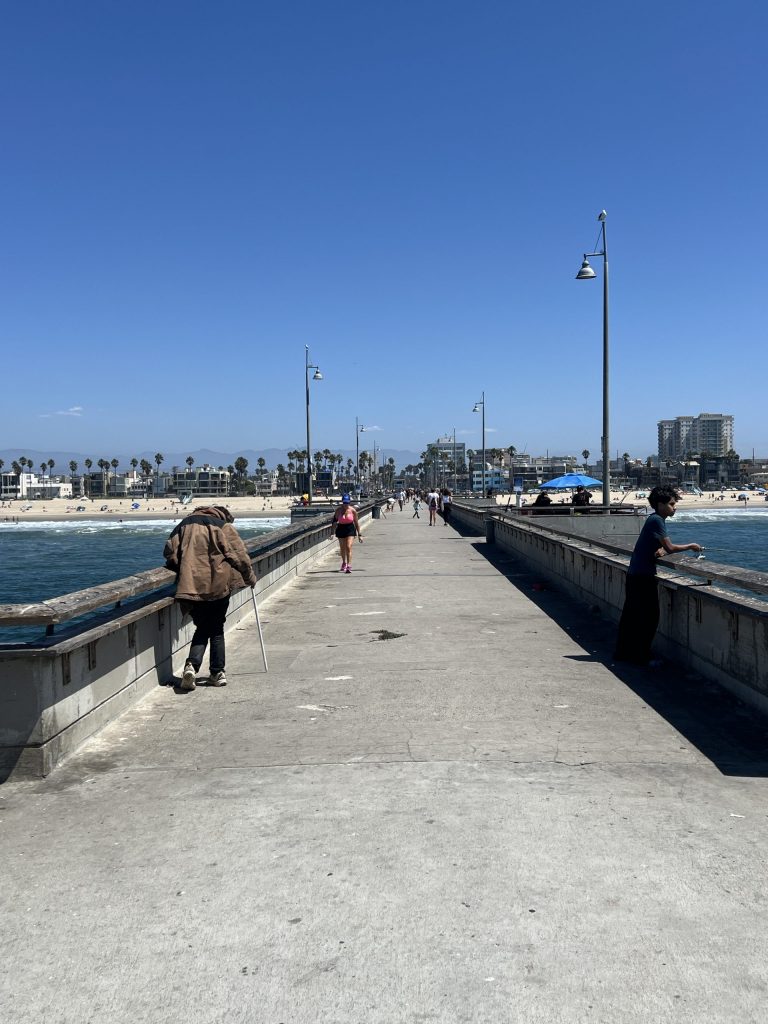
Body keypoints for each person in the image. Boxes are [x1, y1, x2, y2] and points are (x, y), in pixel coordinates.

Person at [163, 505, 257, 690]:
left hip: (190, 587)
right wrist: (250, 577)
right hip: (218, 586)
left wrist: (183, 566)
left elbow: (169, 552)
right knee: (215, 629)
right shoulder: (223, 526)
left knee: (203, 627)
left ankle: (191, 666)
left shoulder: (182, 526)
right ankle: (217, 672)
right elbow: (239, 556)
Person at [613, 486, 702, 666]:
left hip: (635, 574)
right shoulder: (657, 520)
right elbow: (670, 547)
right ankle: (642, 655)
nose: (674, 507)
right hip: (642, 577)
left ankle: (623, 653)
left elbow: (659, 548)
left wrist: (659, 550)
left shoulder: (653, 520)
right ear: (660, 505)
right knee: (650, 617)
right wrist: (691, 546)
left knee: (631, 616)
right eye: (671, 504)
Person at [331, 493, 362, 573]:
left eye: (347, 502)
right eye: (344, 502)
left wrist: (360, 534)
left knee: (348, 546)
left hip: (350, 529)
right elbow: (334, 522)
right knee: (342, 548)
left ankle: (349, 565)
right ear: (342, 502)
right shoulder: (338, 510)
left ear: (349, 502)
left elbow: (356, 523)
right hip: (341, 528)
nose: (346, 504)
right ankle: (344, 563)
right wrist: (332, 533)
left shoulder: (352, 510)